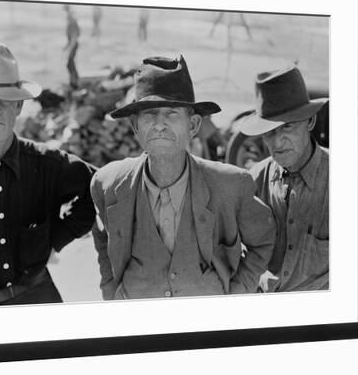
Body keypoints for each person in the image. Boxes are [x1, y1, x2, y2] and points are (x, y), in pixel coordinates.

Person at [91, 56, 275, 300]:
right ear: (135, 126)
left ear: (194, 125)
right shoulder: (108, 184)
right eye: (149, 114)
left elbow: (263, 241)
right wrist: (111, 292)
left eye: (172, 113)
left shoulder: (230, 185)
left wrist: (235, 295)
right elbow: (104, 239)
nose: (159, 124)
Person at [0, 42, 95, 306]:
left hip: (38, 301)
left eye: (4, 101)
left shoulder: (47, 163)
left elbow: (100, 187)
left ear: (18, 106)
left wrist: (56, 238)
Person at [239, 66, 329, 292]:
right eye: (269, 131)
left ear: (309, 122)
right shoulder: (255, 180)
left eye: (288, 126)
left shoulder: (348, 178)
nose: (278, 143)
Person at [63, 5, 80, 89]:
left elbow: (74, 37)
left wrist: (70, 48)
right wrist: (66, 46)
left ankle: (74, 82)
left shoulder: (72, 21)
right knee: (70, 64)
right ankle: (74, 81)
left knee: (70, 64)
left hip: (73, 45)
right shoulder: (71, 21)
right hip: (72, 44)